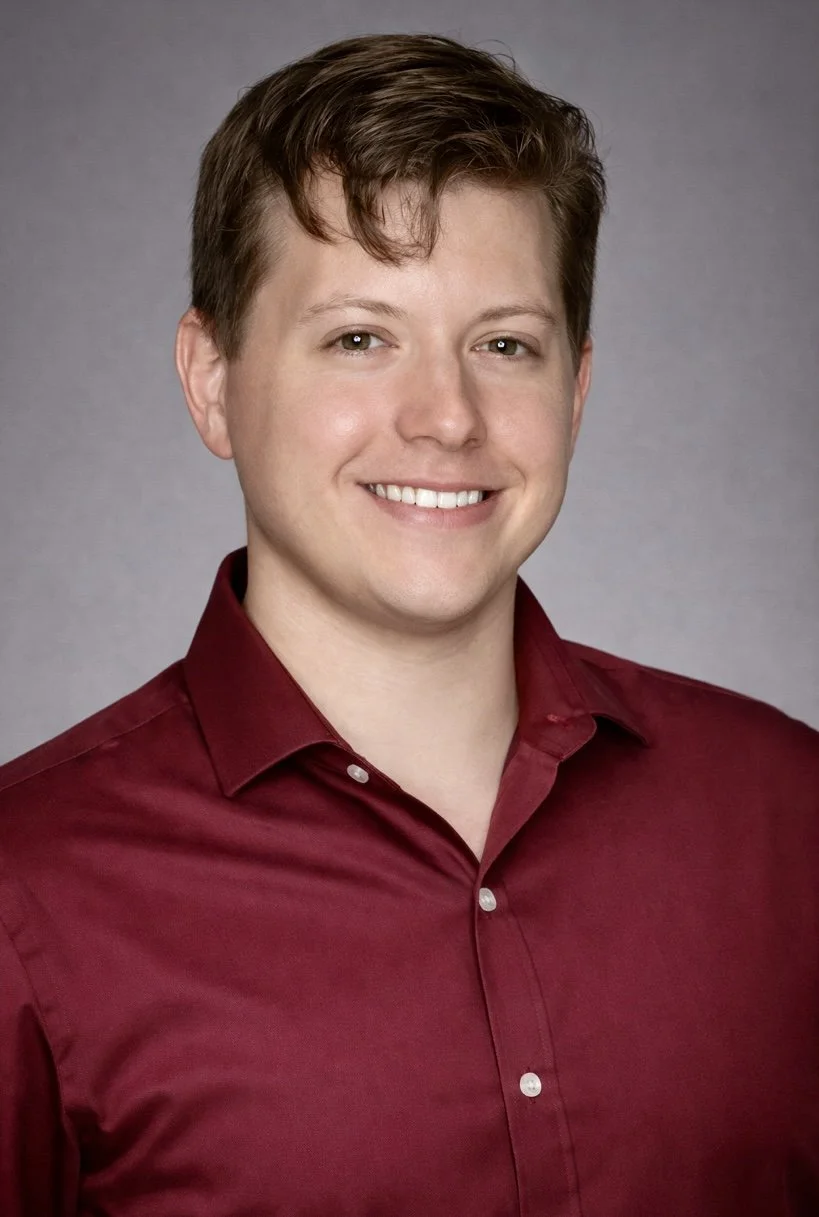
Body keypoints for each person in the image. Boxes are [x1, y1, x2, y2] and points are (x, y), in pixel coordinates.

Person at [0, 31, 817, 1217]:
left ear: (574, 391)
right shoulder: (27, 892)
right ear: (213, 377)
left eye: (504, 344)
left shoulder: (787, 816)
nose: (446, 417)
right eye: (360, 338)